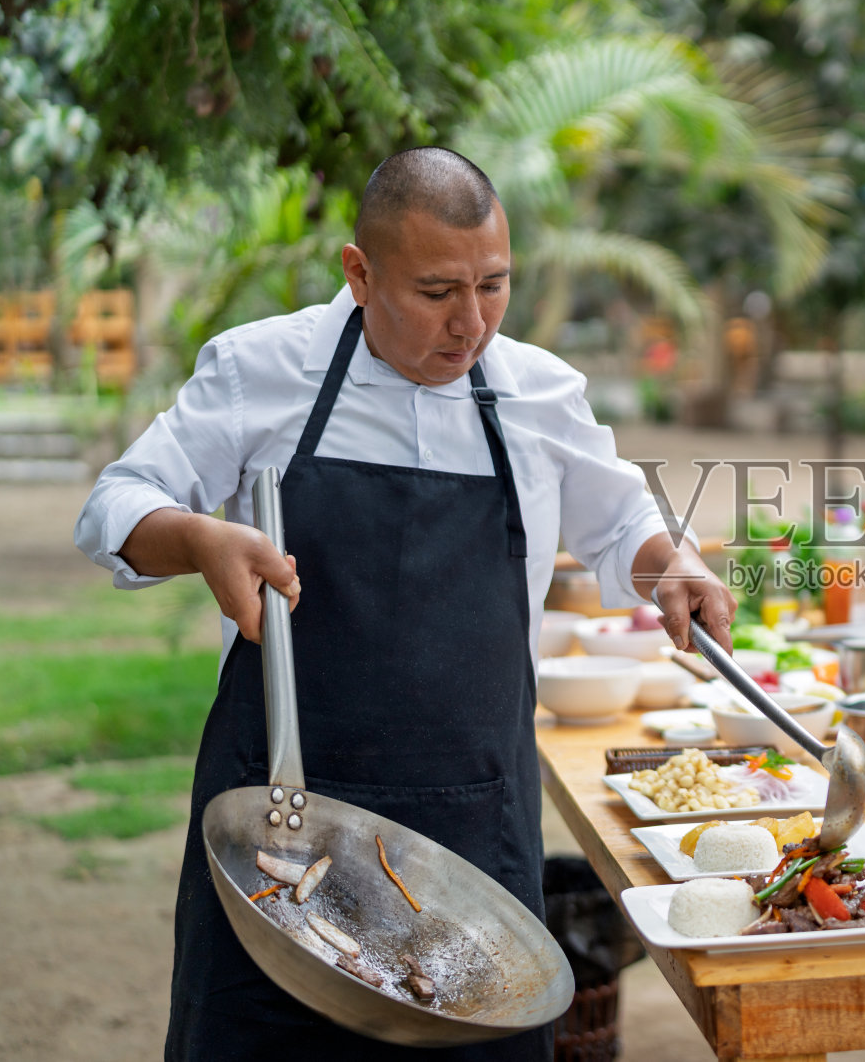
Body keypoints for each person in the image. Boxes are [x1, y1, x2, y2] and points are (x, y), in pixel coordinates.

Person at [75, 147, 734, 1061]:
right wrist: (196, 538)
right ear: (360, 272)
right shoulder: (260, 369)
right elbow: (115, 502)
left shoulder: (539, 393)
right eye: (436, 292)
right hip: (281, 828)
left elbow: (623, 521)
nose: (472, 323)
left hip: (473, 844)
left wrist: (671, 562)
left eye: (494, 285)